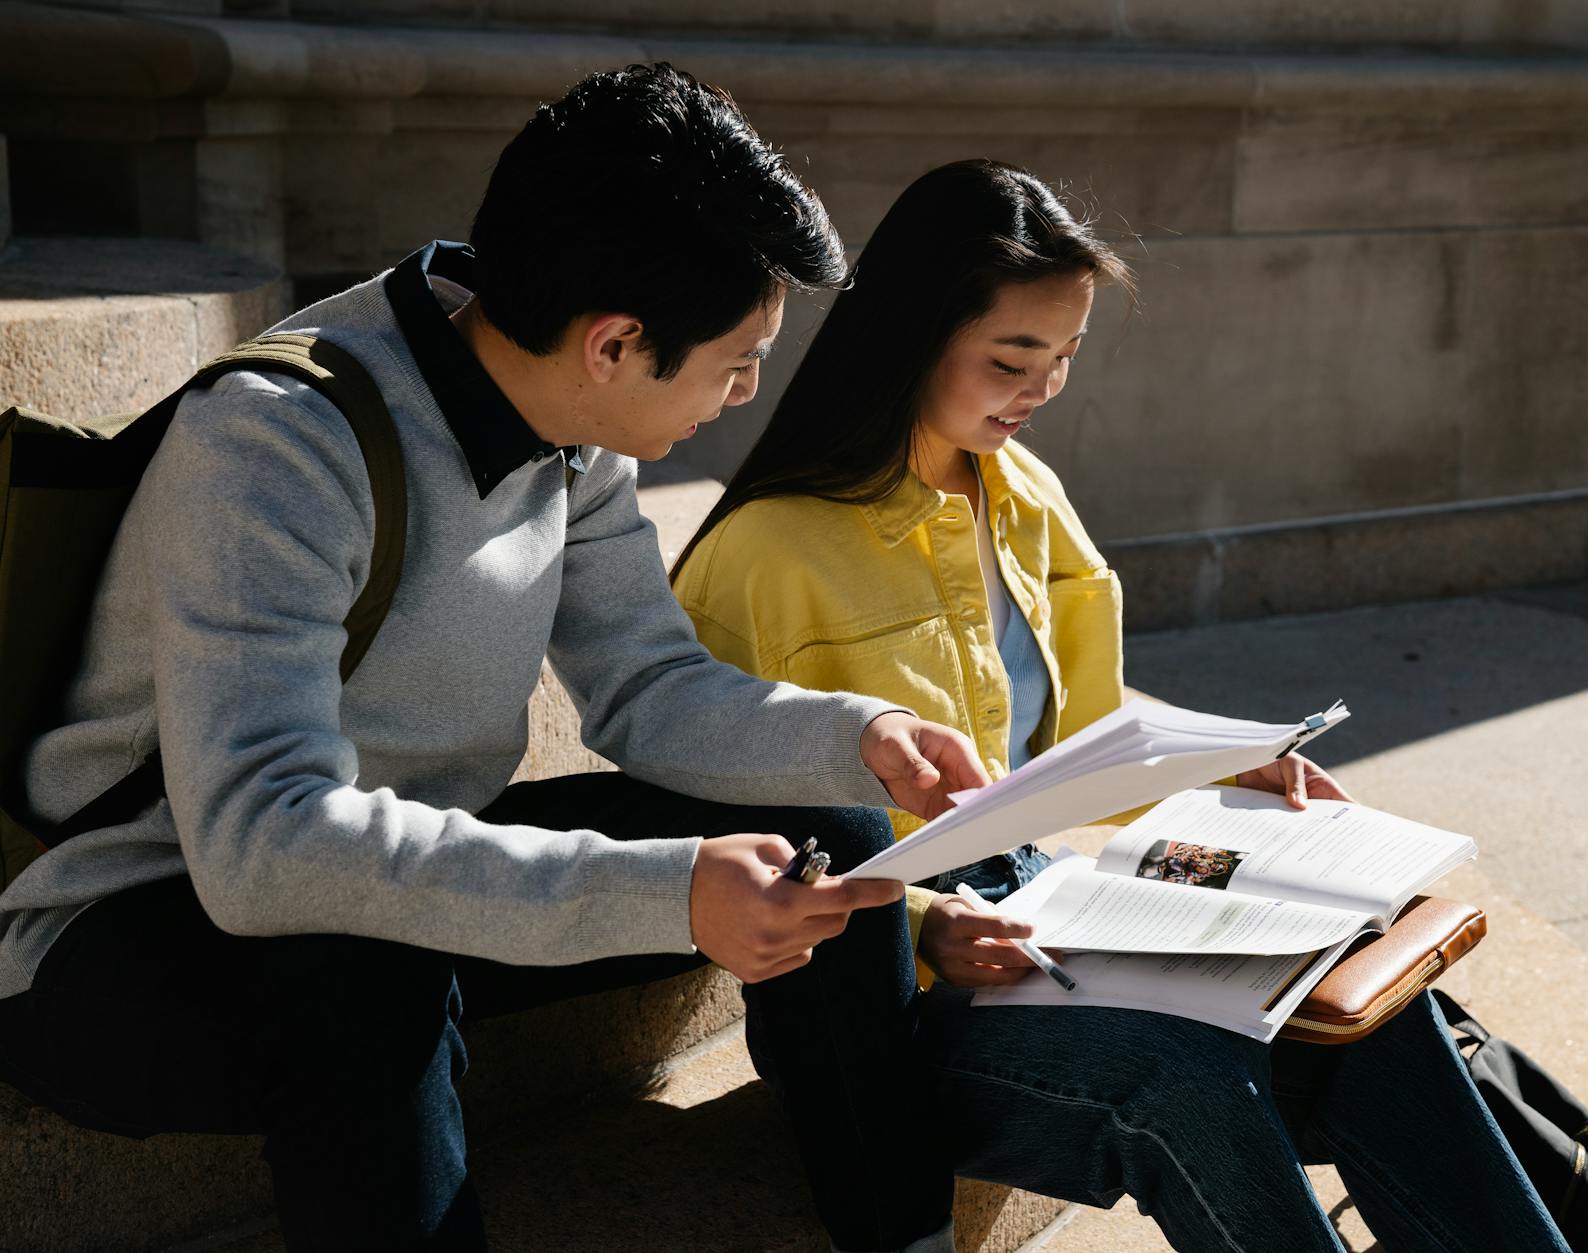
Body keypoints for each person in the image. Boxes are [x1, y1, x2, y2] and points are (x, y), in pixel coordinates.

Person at [0, 67, 993, 1250]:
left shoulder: (575, 424)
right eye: (737, 360)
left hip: (405, 888)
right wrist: (661, 889)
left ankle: (901, 1233)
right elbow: (263, 848)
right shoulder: (275, 442)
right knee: (366, 982)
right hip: (130, 927)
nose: (746, 393)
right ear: (615, 343)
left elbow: (645, 686)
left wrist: (854, 736)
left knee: (826, 809)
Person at [673, 159, 1575, 1253]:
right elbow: (724, 843)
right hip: (878, 1007)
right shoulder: (759, 557)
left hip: (1046, 914)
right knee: (1183, 1073)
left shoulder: (1019, 493)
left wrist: (1228, 767)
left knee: (1355, 991)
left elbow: (1089, 741)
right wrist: (925, 930)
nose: (1042, 386)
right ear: (911, 330)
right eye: (1013, 357)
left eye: (1064, 356)